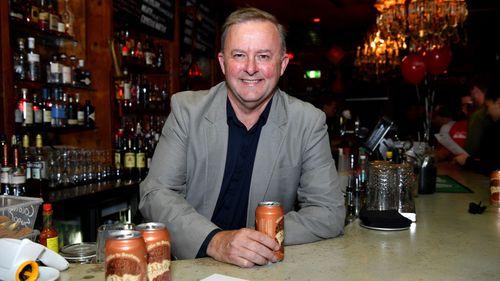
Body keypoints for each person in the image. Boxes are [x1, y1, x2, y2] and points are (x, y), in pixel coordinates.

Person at [139, 7, 345, 268]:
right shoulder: (187, 111)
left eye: (263, 56)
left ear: (282, 65)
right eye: (239, 55)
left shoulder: (307, 122)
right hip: (191, 264)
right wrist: (217, 241)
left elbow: (329, 213)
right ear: (224, 64)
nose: (250, 68)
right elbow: (155, 194)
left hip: (264, 268)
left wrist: (255, 240)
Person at [454, 75, 500, 175]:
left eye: (488, 107)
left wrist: (467, 161)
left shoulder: (481, 118)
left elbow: (492, 166)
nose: (487, 112)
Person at [463, 74, 493, 158]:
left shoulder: (478, 115)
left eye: (471, 92)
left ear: (475, 89)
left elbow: (470, 148)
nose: (472, 96)